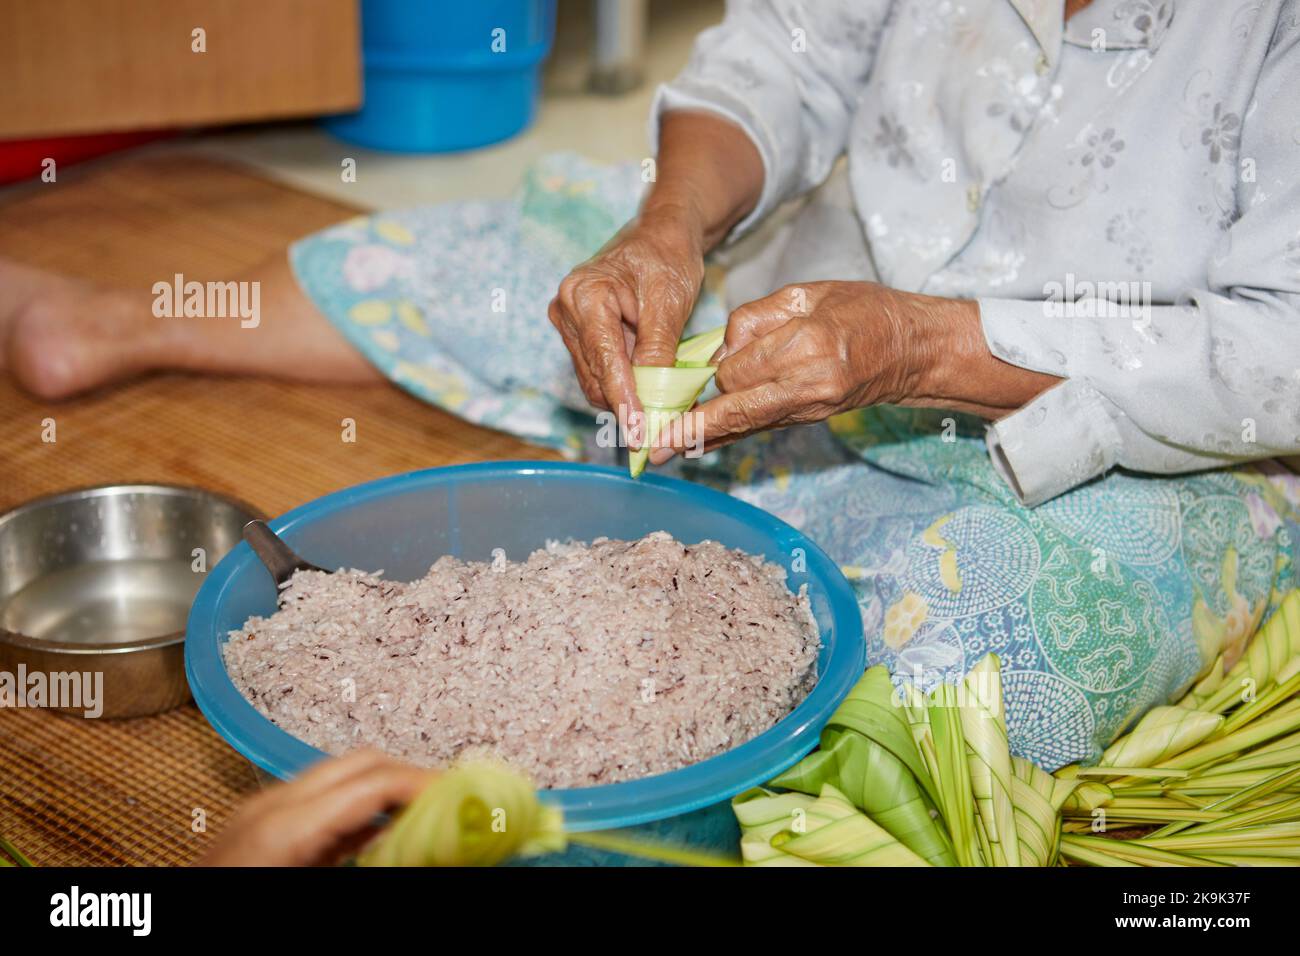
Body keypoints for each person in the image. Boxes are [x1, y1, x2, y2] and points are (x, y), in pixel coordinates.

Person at [3, 0, 1299, 767]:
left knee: (970, 678)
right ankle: (96, 321)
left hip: (1141, 442)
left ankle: (765, 556)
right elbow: (780, 56)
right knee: (559, 259)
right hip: (811, 311)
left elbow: (1274, 350)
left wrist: (923, 348)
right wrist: (671, 229)